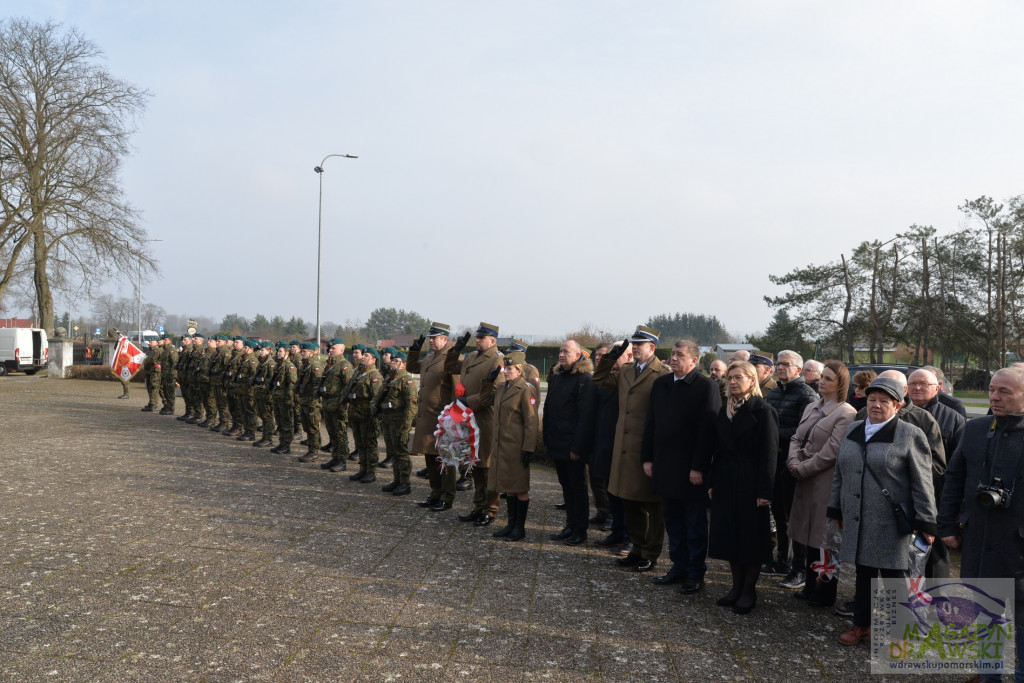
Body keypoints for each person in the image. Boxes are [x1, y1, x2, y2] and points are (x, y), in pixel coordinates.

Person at [827, 376, 937, 646]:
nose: (876, 405)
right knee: (863, 575)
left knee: (894, 578)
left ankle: (901, 633)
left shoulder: (910, 434)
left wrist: (927, 521)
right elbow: (840, 473)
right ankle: (861, 625)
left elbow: (923, 482)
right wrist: (835, 508)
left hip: (891, 521)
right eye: (872, 399)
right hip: (857, 517)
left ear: (898, 405)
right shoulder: (853, 429)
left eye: (884, 401)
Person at [938, 367, 1024, 682]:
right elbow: (954, 479)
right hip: (979, 542)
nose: (994, 397)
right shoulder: (975, 429)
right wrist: (947, 524)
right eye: (992, 390)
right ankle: (990, 675)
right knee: (988, 617)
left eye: (1005, 392)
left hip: (1018, 549)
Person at [642, 339, 721, 593]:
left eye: (680, 355)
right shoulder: (661, 384)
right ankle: (678, 567)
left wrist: (699, 467)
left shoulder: (705, 387)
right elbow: (651, 424)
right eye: (673, 354)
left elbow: (707, 432)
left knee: (694, 524)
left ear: (694, 361)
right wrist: (647, 458)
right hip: (664, 465)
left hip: (690, 470)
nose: (673, 358)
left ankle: (695, 573)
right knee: (673, 521)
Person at [592, 325, 671, 573]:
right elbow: (599, 379)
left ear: (652, 347)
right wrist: (611, 357)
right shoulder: (626, 369)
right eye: (633, 344)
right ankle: (636, 548)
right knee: (629, 502)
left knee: (651, 506)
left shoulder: (663, 373)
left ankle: (650, 552)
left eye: (640, 344)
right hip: (624, 449)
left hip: (646, 449)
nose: (635, 347)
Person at [707, 361, 778, 615]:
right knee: (729, 535)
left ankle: (749, 590)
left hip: (750, 481)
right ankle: (735, 587)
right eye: (730, 378)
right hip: (726, 478)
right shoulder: (724, 410)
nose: (733, 382)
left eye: (739, 377)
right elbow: (716, 449)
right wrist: (713, 482)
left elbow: (769, 454)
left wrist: (765, 491)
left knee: (750, 538)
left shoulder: (763, 410)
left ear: (752, 380)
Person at [786, 361, 856, 607]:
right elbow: (796, 437)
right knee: (805, 534)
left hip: (824, 482)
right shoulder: (811, 406)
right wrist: (793, 460)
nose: (822, 381)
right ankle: (809, 584)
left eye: (828, 378)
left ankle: (825, 591)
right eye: (822, 377)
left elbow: (832, 452)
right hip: (803, 479)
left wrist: (802, 468)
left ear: (841, 384)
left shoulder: (847, 413)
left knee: (824, 538)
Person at [764, 350, 819, 587]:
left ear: (798, 369)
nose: (780, 367)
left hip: (793, 461)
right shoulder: (775, 391)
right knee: (778, 512)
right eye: (778, 363)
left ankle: (800, 568)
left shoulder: (806, 393)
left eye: (786, 364)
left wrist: (773, 435)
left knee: (794, 516)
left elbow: (805, 430)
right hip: (774, 460)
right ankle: (782, 561)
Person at [446, 323, 503, 526]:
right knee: (475, 464)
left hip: (485, 419)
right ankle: (478, 506)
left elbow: (494, 391)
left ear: (493, 341)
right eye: (477, 338)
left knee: (487, 466)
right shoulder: (471, 357)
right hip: (469, 419)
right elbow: (450, 367)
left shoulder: (498, 359)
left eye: (482, 338)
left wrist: (468, 401)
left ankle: (490, 509)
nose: (477, 340)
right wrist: (456, 350)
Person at [479, 350, 539, 542]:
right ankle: (511, 524)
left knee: (520, 488)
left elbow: (531, 421)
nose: (506, 371)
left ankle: (519, 528)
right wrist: (488, 382)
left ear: (519, 370)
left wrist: (528, 448)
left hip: (516, 447)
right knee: (509, 487)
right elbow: (484, 400)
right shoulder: (503, 387)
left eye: (510, 368)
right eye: (505, 368)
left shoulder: (525, 389)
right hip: (501, 446)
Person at [579, 341, 631, 553]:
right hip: (606, 443)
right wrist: (609, 360)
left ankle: (629, 536)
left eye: (616, 354)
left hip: (623, 445)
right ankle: (618, 532)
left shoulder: (630, 377)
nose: (612, 357)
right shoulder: (611, 377)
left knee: (625, 496)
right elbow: (598, 377)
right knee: (612, 492)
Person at [544, 339, 595, 545]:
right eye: (560, 351)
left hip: (572, 445)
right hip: (557, 442)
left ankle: (580, 529)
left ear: (577, 355)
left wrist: (577, 447)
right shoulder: (557, 376)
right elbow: (549, 409)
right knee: (566, 487)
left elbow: (586, 417)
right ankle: (570, 525)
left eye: (566, 352)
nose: (561, 355)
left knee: (577, 487)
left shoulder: (584, 379)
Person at [407, 322, 457, 512]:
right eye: (430, 338)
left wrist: (453, 417)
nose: (431, 341)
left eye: (435, 338)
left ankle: (447, 496)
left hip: (443, 416)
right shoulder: (429, 358)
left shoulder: (451, 358)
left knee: (445, 458)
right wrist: (415, 350)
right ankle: (435, 493)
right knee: (430, 456)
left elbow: (457, 388)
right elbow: (412, 366)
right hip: (427, 416)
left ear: (445, 339)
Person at [377, 352, 417, 496]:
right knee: (393, 452)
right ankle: (397, 479)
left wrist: (406, 428)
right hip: (388, 421)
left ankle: (405, 483)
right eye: (392, 360)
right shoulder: (389, 378)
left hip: (399, 422)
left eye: (396, 361)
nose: (392, 363)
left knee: (401, 453)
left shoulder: (406, 381)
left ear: (404, 364)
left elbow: (411, 406)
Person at [346, 348, 383, 483]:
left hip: (367, 416)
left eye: (366, 355)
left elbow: (376, 398)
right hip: (356, 414)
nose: (363, 357)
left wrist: (374, 415)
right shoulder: (358, 372)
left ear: (373, 360)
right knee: (359, 443)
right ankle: (363, 469)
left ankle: (371, 471)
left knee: (370, 444)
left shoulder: (374, 376)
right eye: (363, 355)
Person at [319, 338, 354, 471]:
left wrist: (344, 404)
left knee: (340, 434)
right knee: (332, 433)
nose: (331, 350)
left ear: (342, 349)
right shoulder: (330, 364)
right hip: (328, 405)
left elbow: (348, 386)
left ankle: (342, 460)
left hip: (338, 406)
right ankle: (335, 457)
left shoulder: (344, 365)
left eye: (334, 348)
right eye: (330, 348)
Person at [270, 342, 299, 455]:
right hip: (277, 398)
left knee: (287, 423)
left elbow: (292, 385)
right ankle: (281, 443)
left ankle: (286, 445)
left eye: (280, 351)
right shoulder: (279, 365)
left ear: (287, 353)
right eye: (278, 351)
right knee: (280, 422)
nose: (278, 353)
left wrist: (289, 399)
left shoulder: (289, 366)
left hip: (285, 399)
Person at [141, 338, 163, 412]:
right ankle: (151, 402)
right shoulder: (150, 351)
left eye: (151, 342)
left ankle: (153, 404)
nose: (150, 343)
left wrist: (146, 360)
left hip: (155, 372)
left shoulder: (157, 350)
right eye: (149, 342)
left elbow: (152, 360)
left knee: (154, 387)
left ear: (156, 343)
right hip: (149, 371)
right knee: (149, 387)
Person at [159, 334, 178, 415]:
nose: (164, 341)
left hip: (170, 375)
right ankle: (167, 406)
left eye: (165, 340)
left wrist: (172, 375)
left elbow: (174, 363)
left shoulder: (171, 350)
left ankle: (171, 408)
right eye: (163, 339)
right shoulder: (164, 350)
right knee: (166, 391)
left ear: (170, 340)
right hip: (165, 375)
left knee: (170, 392)